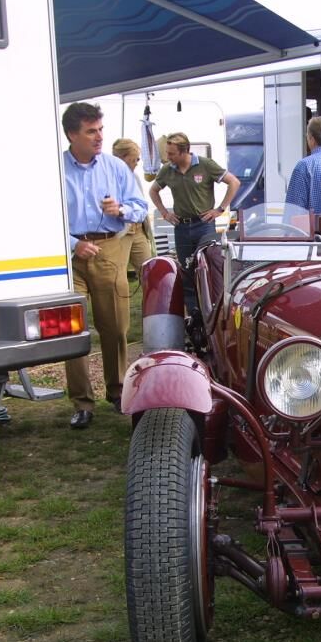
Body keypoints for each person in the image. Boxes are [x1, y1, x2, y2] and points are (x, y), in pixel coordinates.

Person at [61, 102, 148, 430]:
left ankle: (117, 391)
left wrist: (121, 209)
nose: (99, 137)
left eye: (100, 130)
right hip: (68, 256)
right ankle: (82, 402)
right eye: (91, 131)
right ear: (73, 134)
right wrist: (73, 244)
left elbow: (141, 207)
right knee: (72, 330)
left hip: (108, 249)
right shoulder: (55, 168)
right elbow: (43, 213)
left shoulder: (115, 167)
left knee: (115, 327)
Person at [149, 132, 240, 311]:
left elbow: (234, 182)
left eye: (171, 153)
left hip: (204, 225)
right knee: (187, 269)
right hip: (181, 226)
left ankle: (214, 310)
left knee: (208, 267)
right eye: (167, 153)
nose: (168, 157)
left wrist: (220, 209)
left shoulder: (205, 165)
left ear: (185, 152)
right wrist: (164, 213)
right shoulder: (167, 169)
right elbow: (153, 191)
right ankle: (194, 314)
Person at [111, 138, 156, 273]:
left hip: (138, 229)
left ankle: (152, 294)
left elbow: (141, 203)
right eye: (134, 159)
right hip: (121, 231)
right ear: (121, 158)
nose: (137, 163)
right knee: (118, 273)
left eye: (138, 159)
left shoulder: (134, 176)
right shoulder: (108, 177)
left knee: (149, 271)